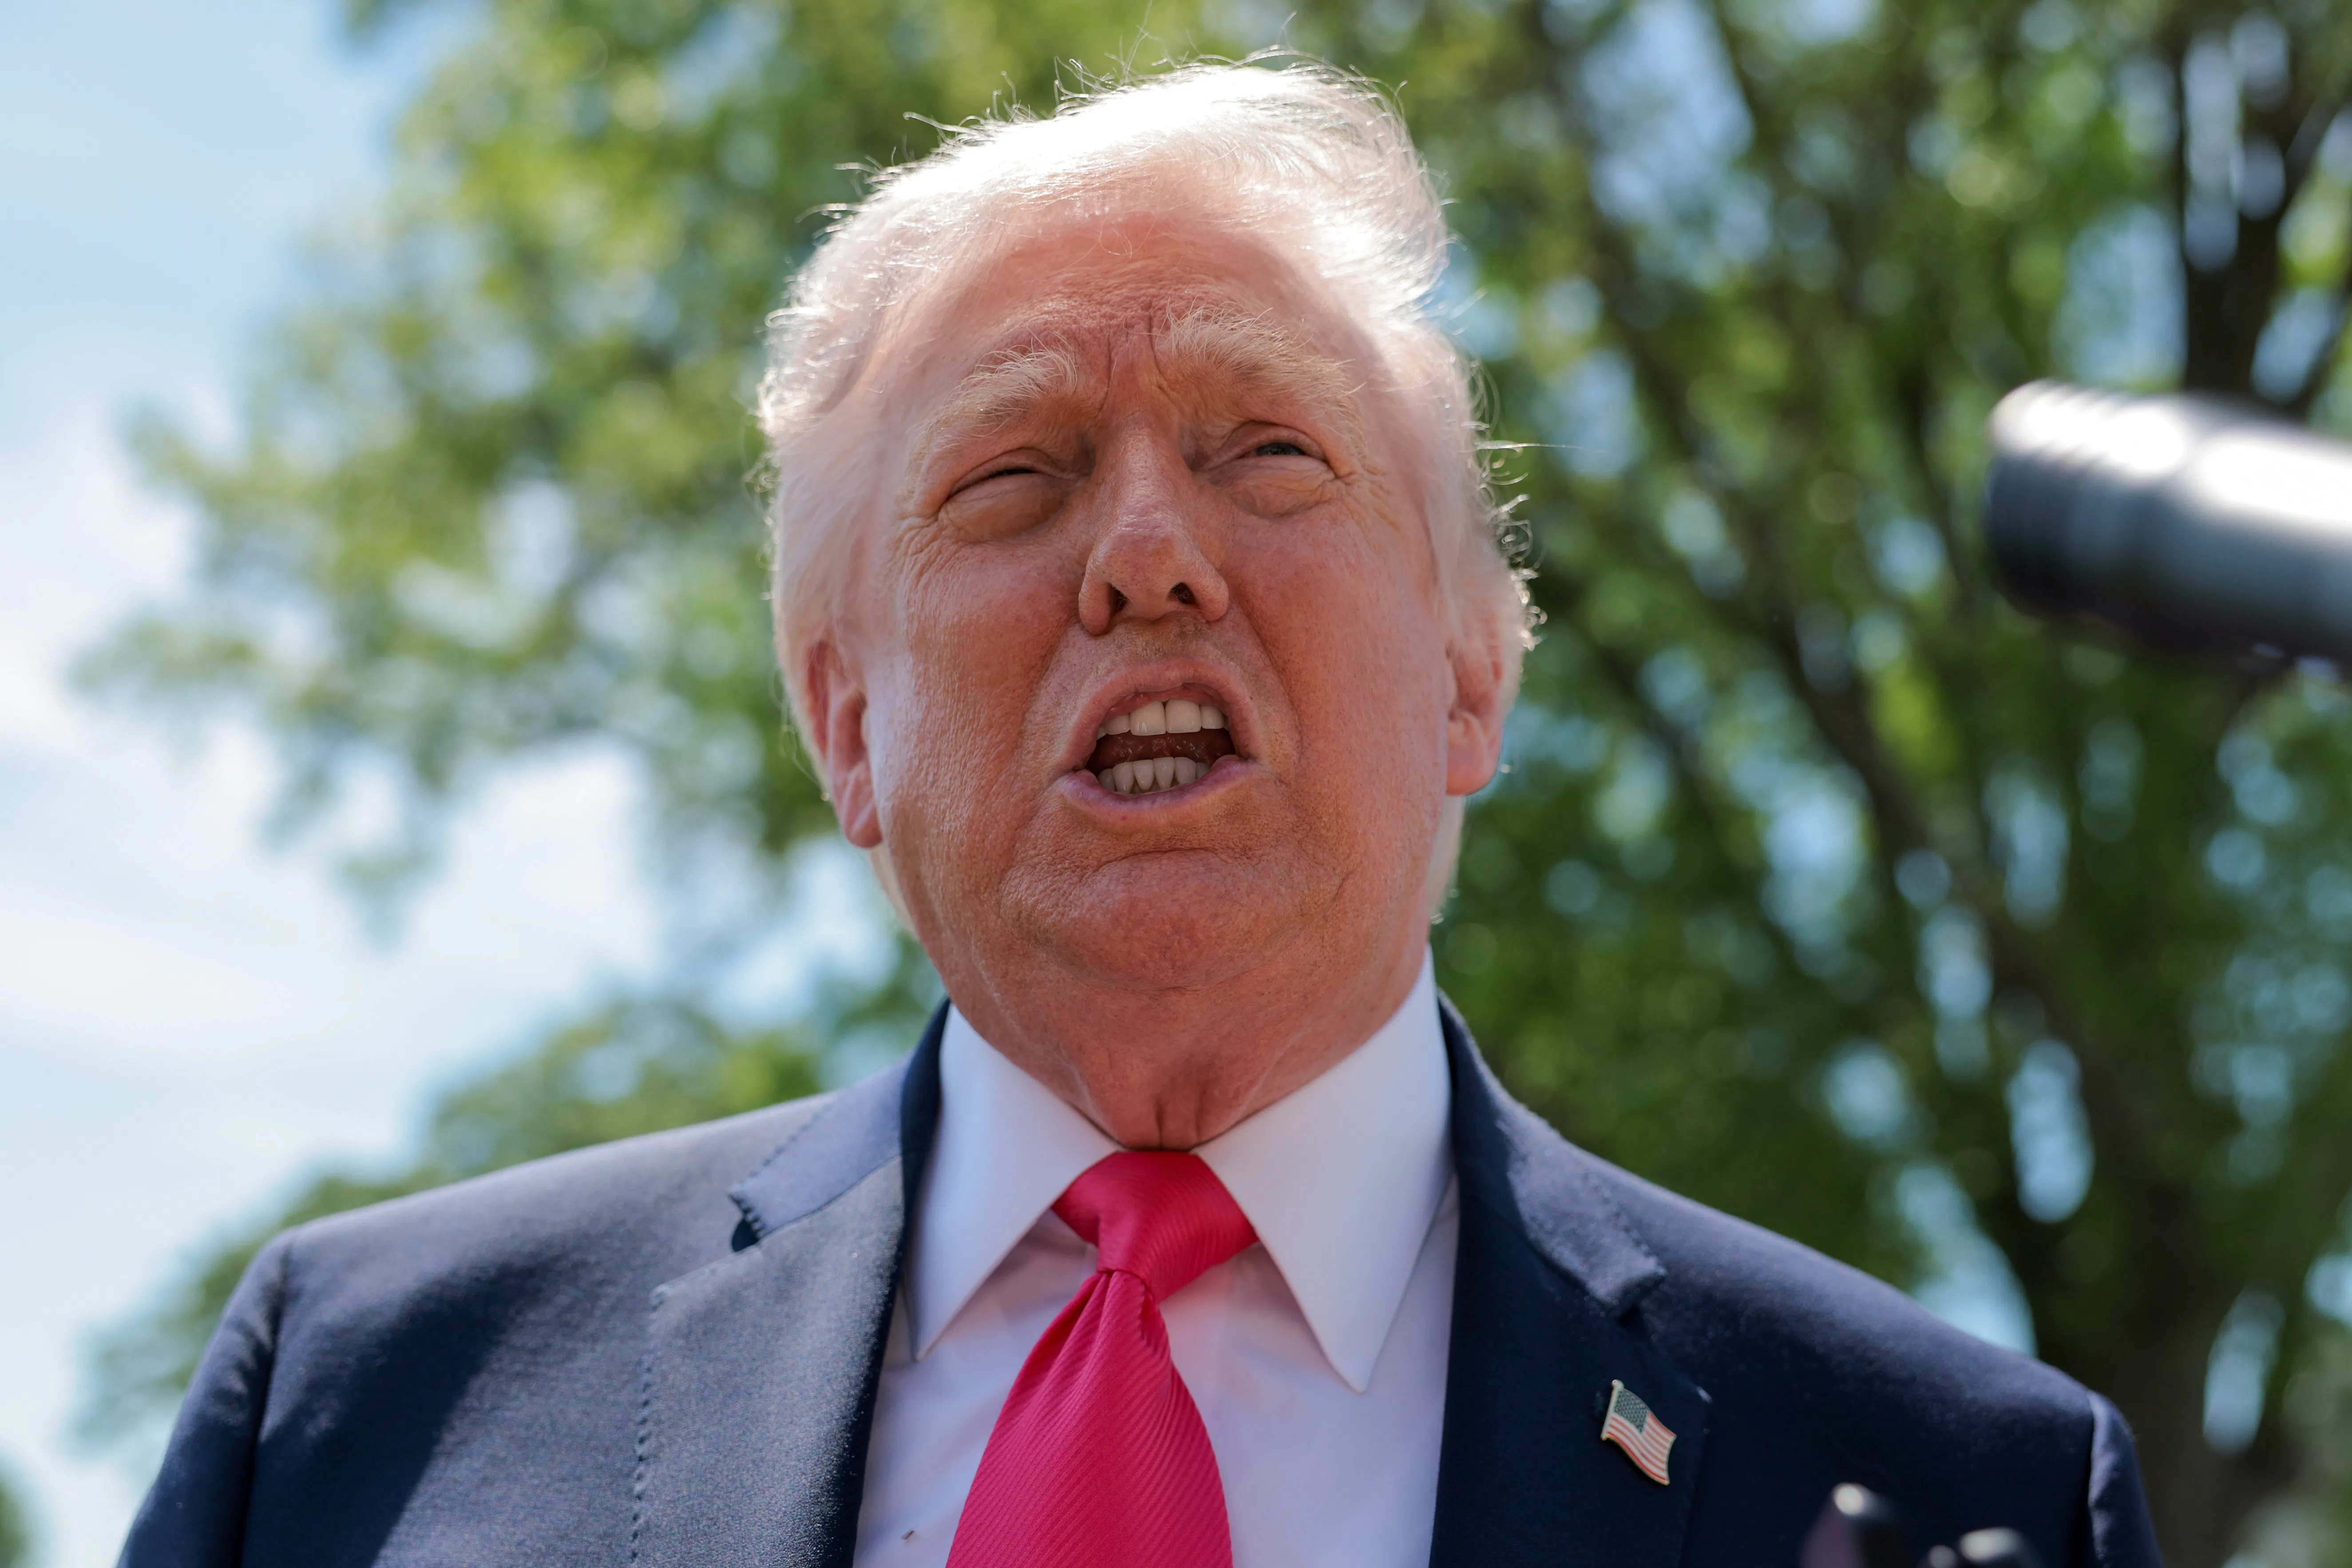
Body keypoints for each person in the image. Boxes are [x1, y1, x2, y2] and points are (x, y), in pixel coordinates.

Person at [121, 62, 2162, 1568]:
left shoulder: (1955, 1483)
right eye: (1011, 479)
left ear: (1470, 668)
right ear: (845, 723)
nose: (1148, 558)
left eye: (1270, 449)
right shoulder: (359, 1403)